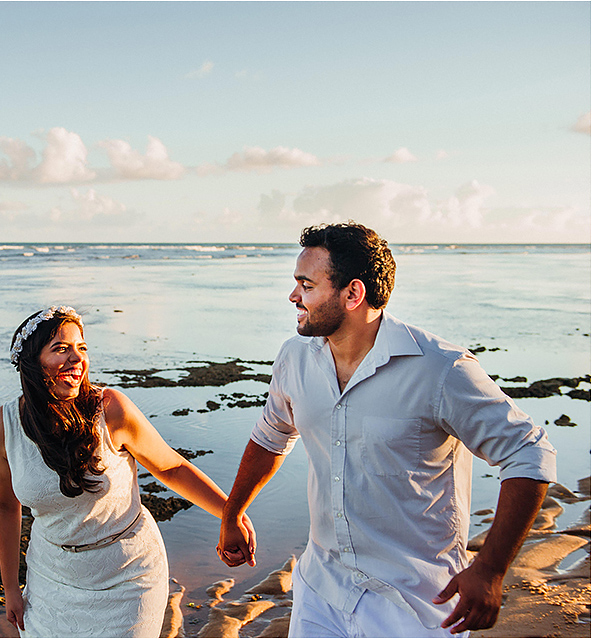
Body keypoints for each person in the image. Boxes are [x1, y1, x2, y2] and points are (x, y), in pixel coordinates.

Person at [218, 222, 556, 638]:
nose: (293, 296)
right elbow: (271, 436)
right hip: (321, 591)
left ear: (353, 294)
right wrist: (233, 512)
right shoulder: (295, 358)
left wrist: (489, 568)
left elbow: (529, 452)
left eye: (306, 285)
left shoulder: (440, 369)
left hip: (417, 605)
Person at [0, 305, 253, 638]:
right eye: (61, 348)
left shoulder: (110, 410)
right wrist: (11, 586)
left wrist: (231, 515)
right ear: (32, 364)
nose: (76, 358)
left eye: (81, 348)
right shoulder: (2, 428)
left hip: (129, 575)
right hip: (51, 578)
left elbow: (171, 467)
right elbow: (5, 506)